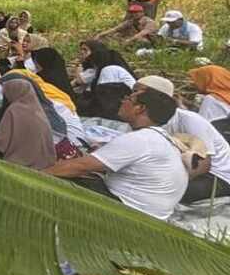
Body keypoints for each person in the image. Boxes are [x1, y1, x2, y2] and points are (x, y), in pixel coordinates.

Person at [44, 88, 187, 220]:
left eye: (128, 99)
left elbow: (80, 166)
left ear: (140, 108)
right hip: (154, 212)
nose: (122, 101)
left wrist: (33, 174)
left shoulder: (140, 139)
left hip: (131, 211)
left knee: (62, 181)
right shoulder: (160, 138)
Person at [135, 76, 230, 204]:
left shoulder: (189, 120)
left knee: (156, 194)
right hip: (182, 168)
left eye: (138, 91)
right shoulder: (143, 119)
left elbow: (203, 164)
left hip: (216, 176)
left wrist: (172, 183)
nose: (132, 95)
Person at [74, 39, 136, 120]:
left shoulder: (109, 70)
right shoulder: (96, 71)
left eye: (85, 50)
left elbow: (106, 98)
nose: (82, 52)